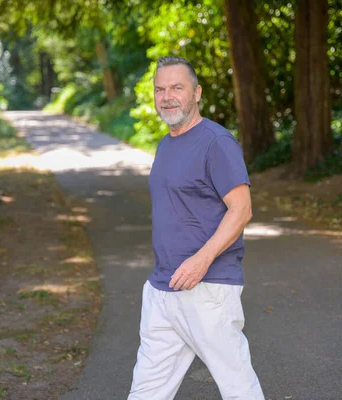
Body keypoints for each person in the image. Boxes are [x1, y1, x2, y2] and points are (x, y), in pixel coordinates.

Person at [128, 56, 266, 400]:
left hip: (208, 289)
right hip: (163, 287)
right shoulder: (165, 144)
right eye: (160, 89)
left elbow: (241, 209)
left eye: (177, 87)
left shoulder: (215, 142)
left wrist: (201, 260)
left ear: (197, 93)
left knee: (238, 388)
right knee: (146, 390)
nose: (167, 96)